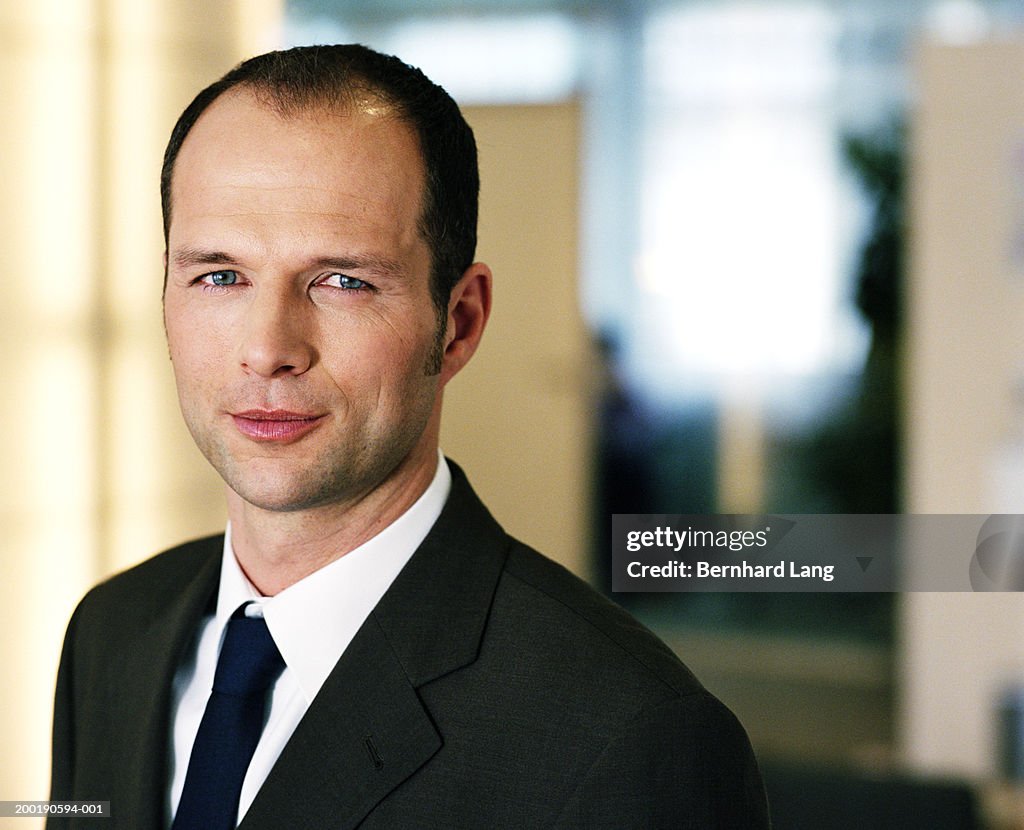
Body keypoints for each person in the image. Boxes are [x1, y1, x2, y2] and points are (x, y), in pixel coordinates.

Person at [48, 44, 770, 829]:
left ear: (458, 325)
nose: (267, 348)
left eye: (343, 280)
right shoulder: (111, 633)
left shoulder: (632, 736)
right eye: (218, 275)